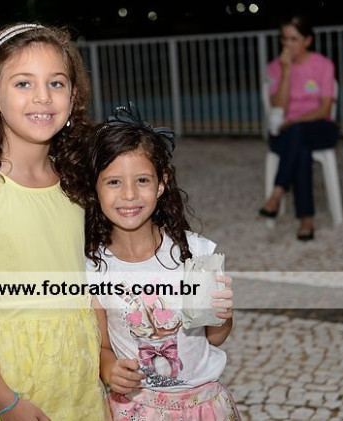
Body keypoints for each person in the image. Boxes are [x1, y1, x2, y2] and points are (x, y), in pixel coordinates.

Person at [0, 23, 110, 421]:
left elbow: (87, 282)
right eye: (23, 83)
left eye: (56, 83)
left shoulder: (76, 183)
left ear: (73, 97)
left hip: (77, 377)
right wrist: (7, 402)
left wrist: (104, 354)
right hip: (5, 380)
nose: (43, 97)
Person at [85, 102, 241, 420]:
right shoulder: (94, 269)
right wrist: (110, 369)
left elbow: (215, 337)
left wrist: (224, 317)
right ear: (94, 188)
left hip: (203, 406)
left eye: (142, 180)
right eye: (114, 182)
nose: (129, 194)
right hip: (136, 409)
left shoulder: (196, 254)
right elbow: (103, 347)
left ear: (161, 183)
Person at [258, 15, 338, 241]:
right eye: (284, 39)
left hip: (318, 127)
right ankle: (306, 219)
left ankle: (278, 192)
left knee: (298, 132)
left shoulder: (323, 65)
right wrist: (286, 72)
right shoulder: (275, 67)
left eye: (294, 39)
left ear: (307, 40)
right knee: (300, 148)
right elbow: (277, 107)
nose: (288, 44)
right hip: (285, 134)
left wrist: (295, 120)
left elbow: (325, 110)